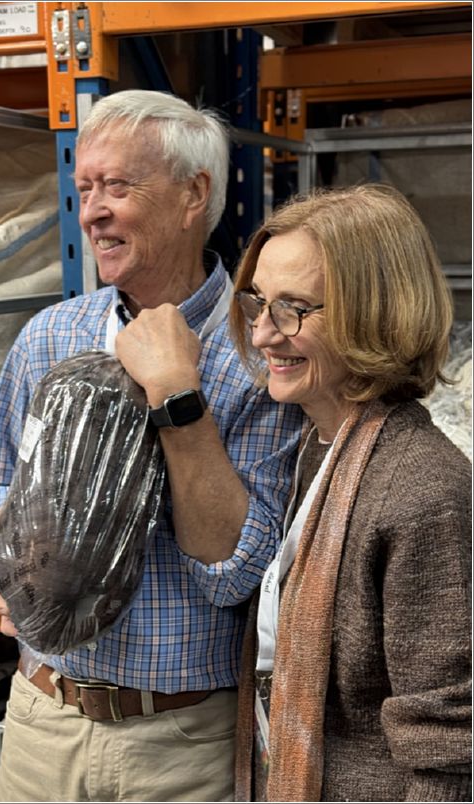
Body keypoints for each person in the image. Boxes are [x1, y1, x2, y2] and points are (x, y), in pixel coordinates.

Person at [0, 89, 304, 803]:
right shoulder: (50, 336)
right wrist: (23, 553)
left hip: (179, 747)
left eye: (117, 186)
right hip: (41, 720)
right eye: (85, 187)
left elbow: (233, 574)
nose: (91, 210)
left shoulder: (263, 356)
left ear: (194, 194)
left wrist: (178, 399)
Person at [230, 183, 472, 802]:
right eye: (259, 303)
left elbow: (448, 750)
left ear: (378, 314)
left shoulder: (423, 489)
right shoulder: (321, 446)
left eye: (294, 309)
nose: (262, 334)